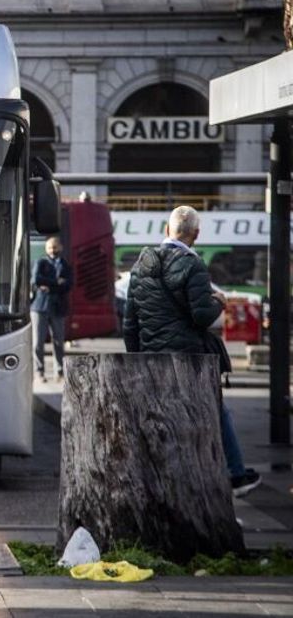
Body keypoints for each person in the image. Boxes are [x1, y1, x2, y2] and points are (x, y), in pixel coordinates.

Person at [123, 205, 262, 497]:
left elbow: (130, 323)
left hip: (151, 357)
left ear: (166, 230)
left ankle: (153, 477)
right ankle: (236, 475)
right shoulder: (193, 266)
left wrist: (137, 357)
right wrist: (220, 303)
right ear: (195, 235)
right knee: (214, 409)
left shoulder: (139, 267)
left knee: (157, 416)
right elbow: (201, 317)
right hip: (189, 358)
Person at [31, 236, 73, 381]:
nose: (52, 250)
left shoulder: (66, 265)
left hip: (58, 308)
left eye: (55, 247)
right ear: (46, 249)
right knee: (38, 342)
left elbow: (68, 285)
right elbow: (36, 280)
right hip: (39, 308)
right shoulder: (41, 262)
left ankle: (59, 371)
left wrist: (48, 285)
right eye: (50, 247)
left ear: (60, 247)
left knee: (58, 342)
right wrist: (56, 282)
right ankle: (39, 370)